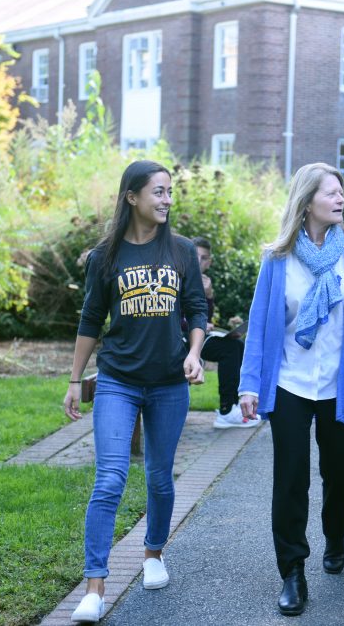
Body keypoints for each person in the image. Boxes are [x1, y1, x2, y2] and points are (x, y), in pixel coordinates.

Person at [238, 162, 344, 617]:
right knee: (290, 478)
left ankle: (335, 537)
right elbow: (261, 326)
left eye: (342, 192)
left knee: (340, 473)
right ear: (306, 202)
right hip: (290, 383)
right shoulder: (278, 258)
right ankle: (292, 571)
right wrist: (248, 384)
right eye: (330, 193)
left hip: (339, 385)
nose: (340, 199)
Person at [62, 160, 208, 624]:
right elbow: (90, 318)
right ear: (132, 197)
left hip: (169, 383)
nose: (166, 200)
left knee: (161, 478)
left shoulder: (182, 251)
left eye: (170, 192)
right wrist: (73, 379)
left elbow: (197, 309)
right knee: (109, 479)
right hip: (118, 380)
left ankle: (152, 554)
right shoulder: (105, 256)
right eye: (158, 192)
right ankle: (95, 587)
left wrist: (195, 352)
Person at [190, 236, 261, 429]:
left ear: (209, 262)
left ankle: (235, 404)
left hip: (200, 335)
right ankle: (226, 409)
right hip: (183, 338)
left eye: (203, 258)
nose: (198, 261)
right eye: (194, 256)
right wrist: (195, 324)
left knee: (237, 344)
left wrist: (209, 296)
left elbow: (206, 316)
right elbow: (174, 314)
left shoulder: (204, 281)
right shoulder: (181, 278)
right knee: (229, 349)